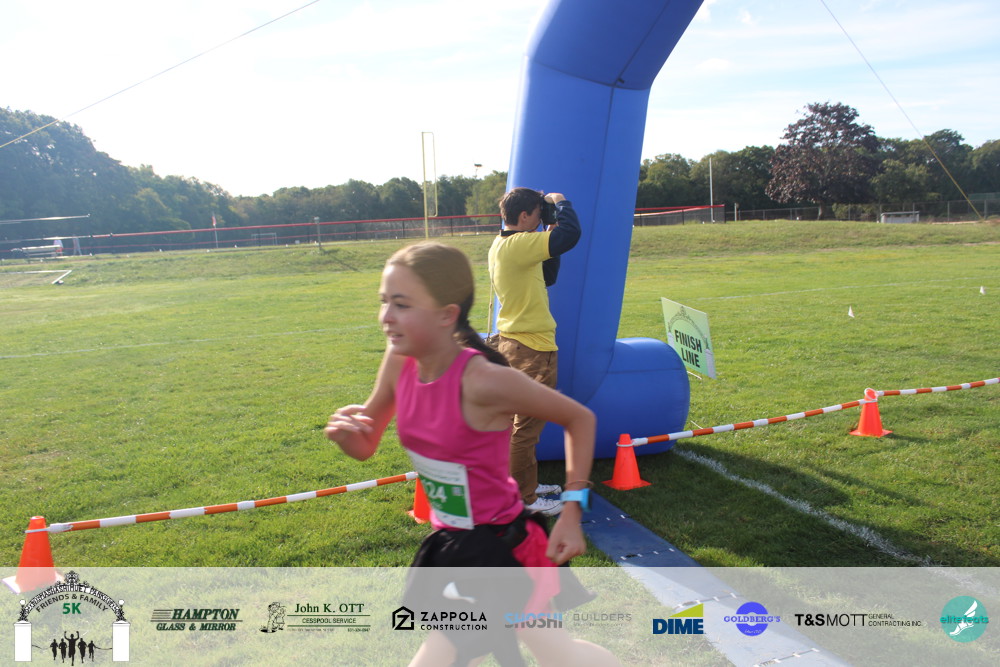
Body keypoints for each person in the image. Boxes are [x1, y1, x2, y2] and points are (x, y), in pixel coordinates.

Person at [325, 242, 617, 667]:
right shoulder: (400, 360)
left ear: (446, 314)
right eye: (384, 301)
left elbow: (579, 419)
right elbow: (365, 444)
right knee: (557, 655)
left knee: (558, 657)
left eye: (402, 304)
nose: (386, 316)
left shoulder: (484, 381)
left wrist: (571, 513)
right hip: (452, 546)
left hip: (504, 551)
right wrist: (345, 433)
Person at [489, 187, 582, 515]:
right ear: (525, 216)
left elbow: (549, 276)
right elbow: (571, 235)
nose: (542, 218)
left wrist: (550, 226)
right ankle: (524, 499)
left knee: (519, 426)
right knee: (526, 429)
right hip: (531, 347)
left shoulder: (504, 244)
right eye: (538, 214)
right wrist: (561, 202)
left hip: (517, 343)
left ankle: (522, 484)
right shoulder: (518, 244)